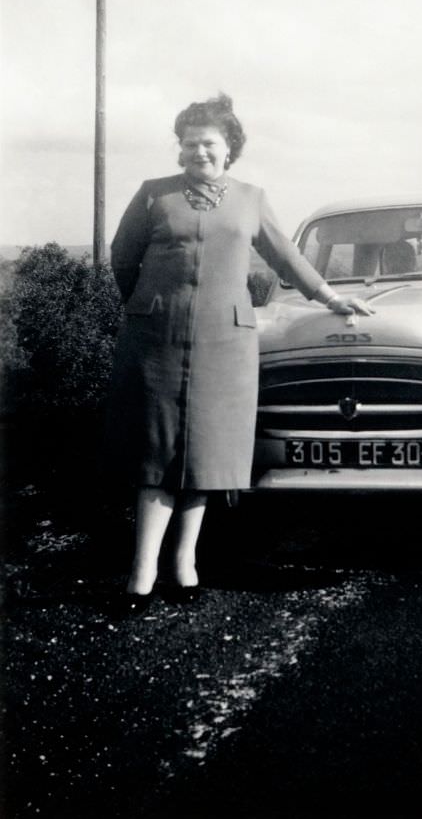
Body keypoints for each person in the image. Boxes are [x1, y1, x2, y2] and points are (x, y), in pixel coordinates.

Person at [105, 94, 372, 614]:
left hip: (225, 342)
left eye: (209, 143)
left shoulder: (251, 198)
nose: (198, 152)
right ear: (178, 149)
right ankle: (141, 574)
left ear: (229, 148)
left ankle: (184, 568)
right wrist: (148, 305)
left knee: (205, 454)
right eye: (189, 143)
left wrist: (331, 297)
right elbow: (122, 259)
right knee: (154, 453)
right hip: (155, 340)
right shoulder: (153, 195)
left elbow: (287, 257)